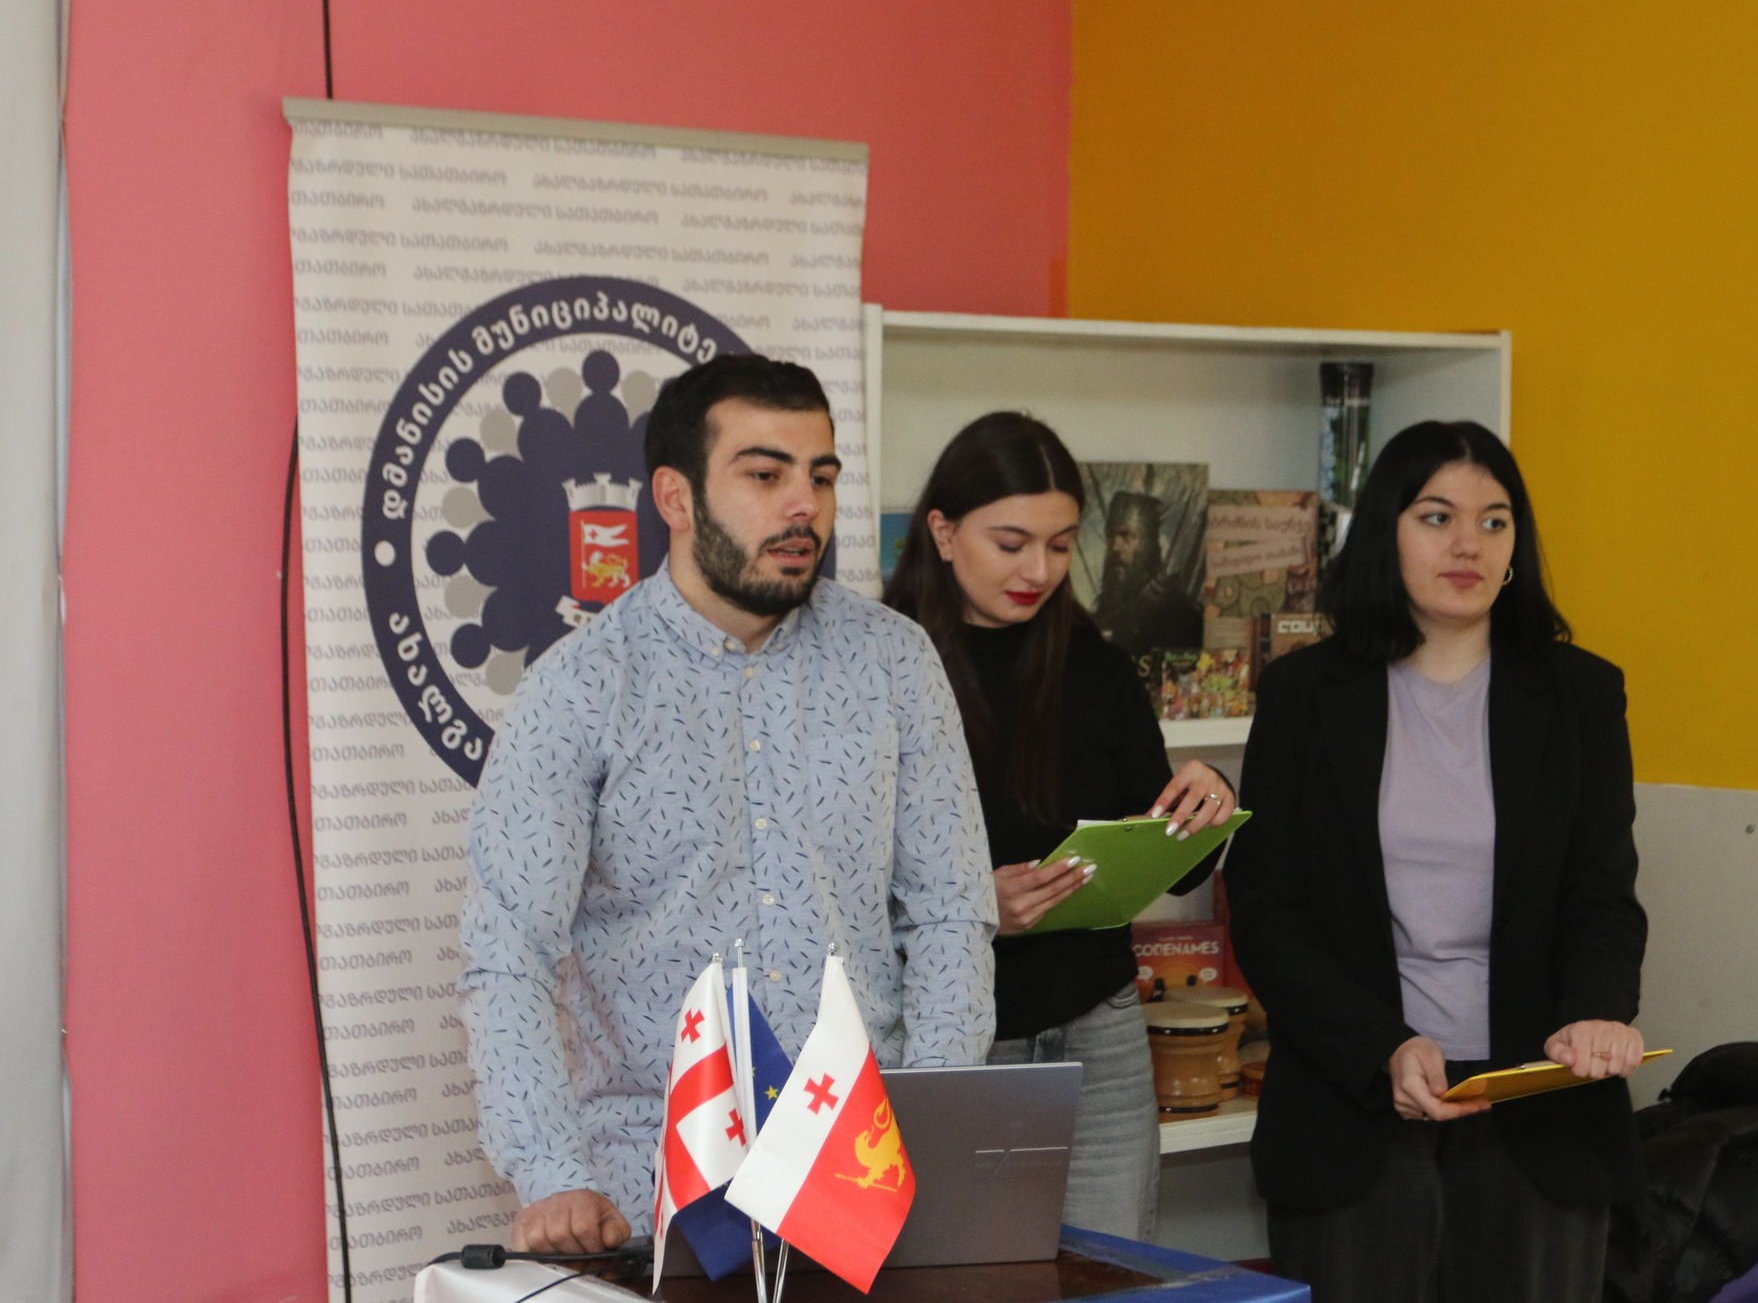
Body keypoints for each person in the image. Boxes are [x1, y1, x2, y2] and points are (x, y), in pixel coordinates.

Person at [461, 355, 998, 1254]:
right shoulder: (581, 688)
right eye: (764, 475)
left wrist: (934, 1125)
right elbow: (508, 949)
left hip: (862, 1176)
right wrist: (553, 1174)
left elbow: (950, 912)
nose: (804, 506)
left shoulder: (895, 661)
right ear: (676, 498)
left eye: (820, 476)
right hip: (656, 1187)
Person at [1225, 420, 1647, 1302]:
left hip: (1536, 1105)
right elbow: (1267, 911)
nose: (1469, 544)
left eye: (1495, 521)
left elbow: (1602, 893)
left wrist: (1596, 1012)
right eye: (1437, 517)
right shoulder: (1303, 695)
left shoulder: (1580, 694)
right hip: (1354, 1106)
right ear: (1386, 532)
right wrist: (1381, 1047)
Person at [882, 411, 1237, 1239]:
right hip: (945, 1032)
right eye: (1011, 543)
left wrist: (1205, 805)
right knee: (964, 1272)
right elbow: (828, 886)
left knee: (1110, 1269)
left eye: (1060, 544)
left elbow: (1177, 863)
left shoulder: (1095, 664)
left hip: (1097, 1029)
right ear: (942, 531)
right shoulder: (879, 668)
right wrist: (972, 908)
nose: (1038, 570)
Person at [1092, 489, 1202, 659]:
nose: (1114, 547)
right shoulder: (1103, 609)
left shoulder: (1180, 615)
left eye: (1127, 536)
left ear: (1148, 544)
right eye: (1110, 535)